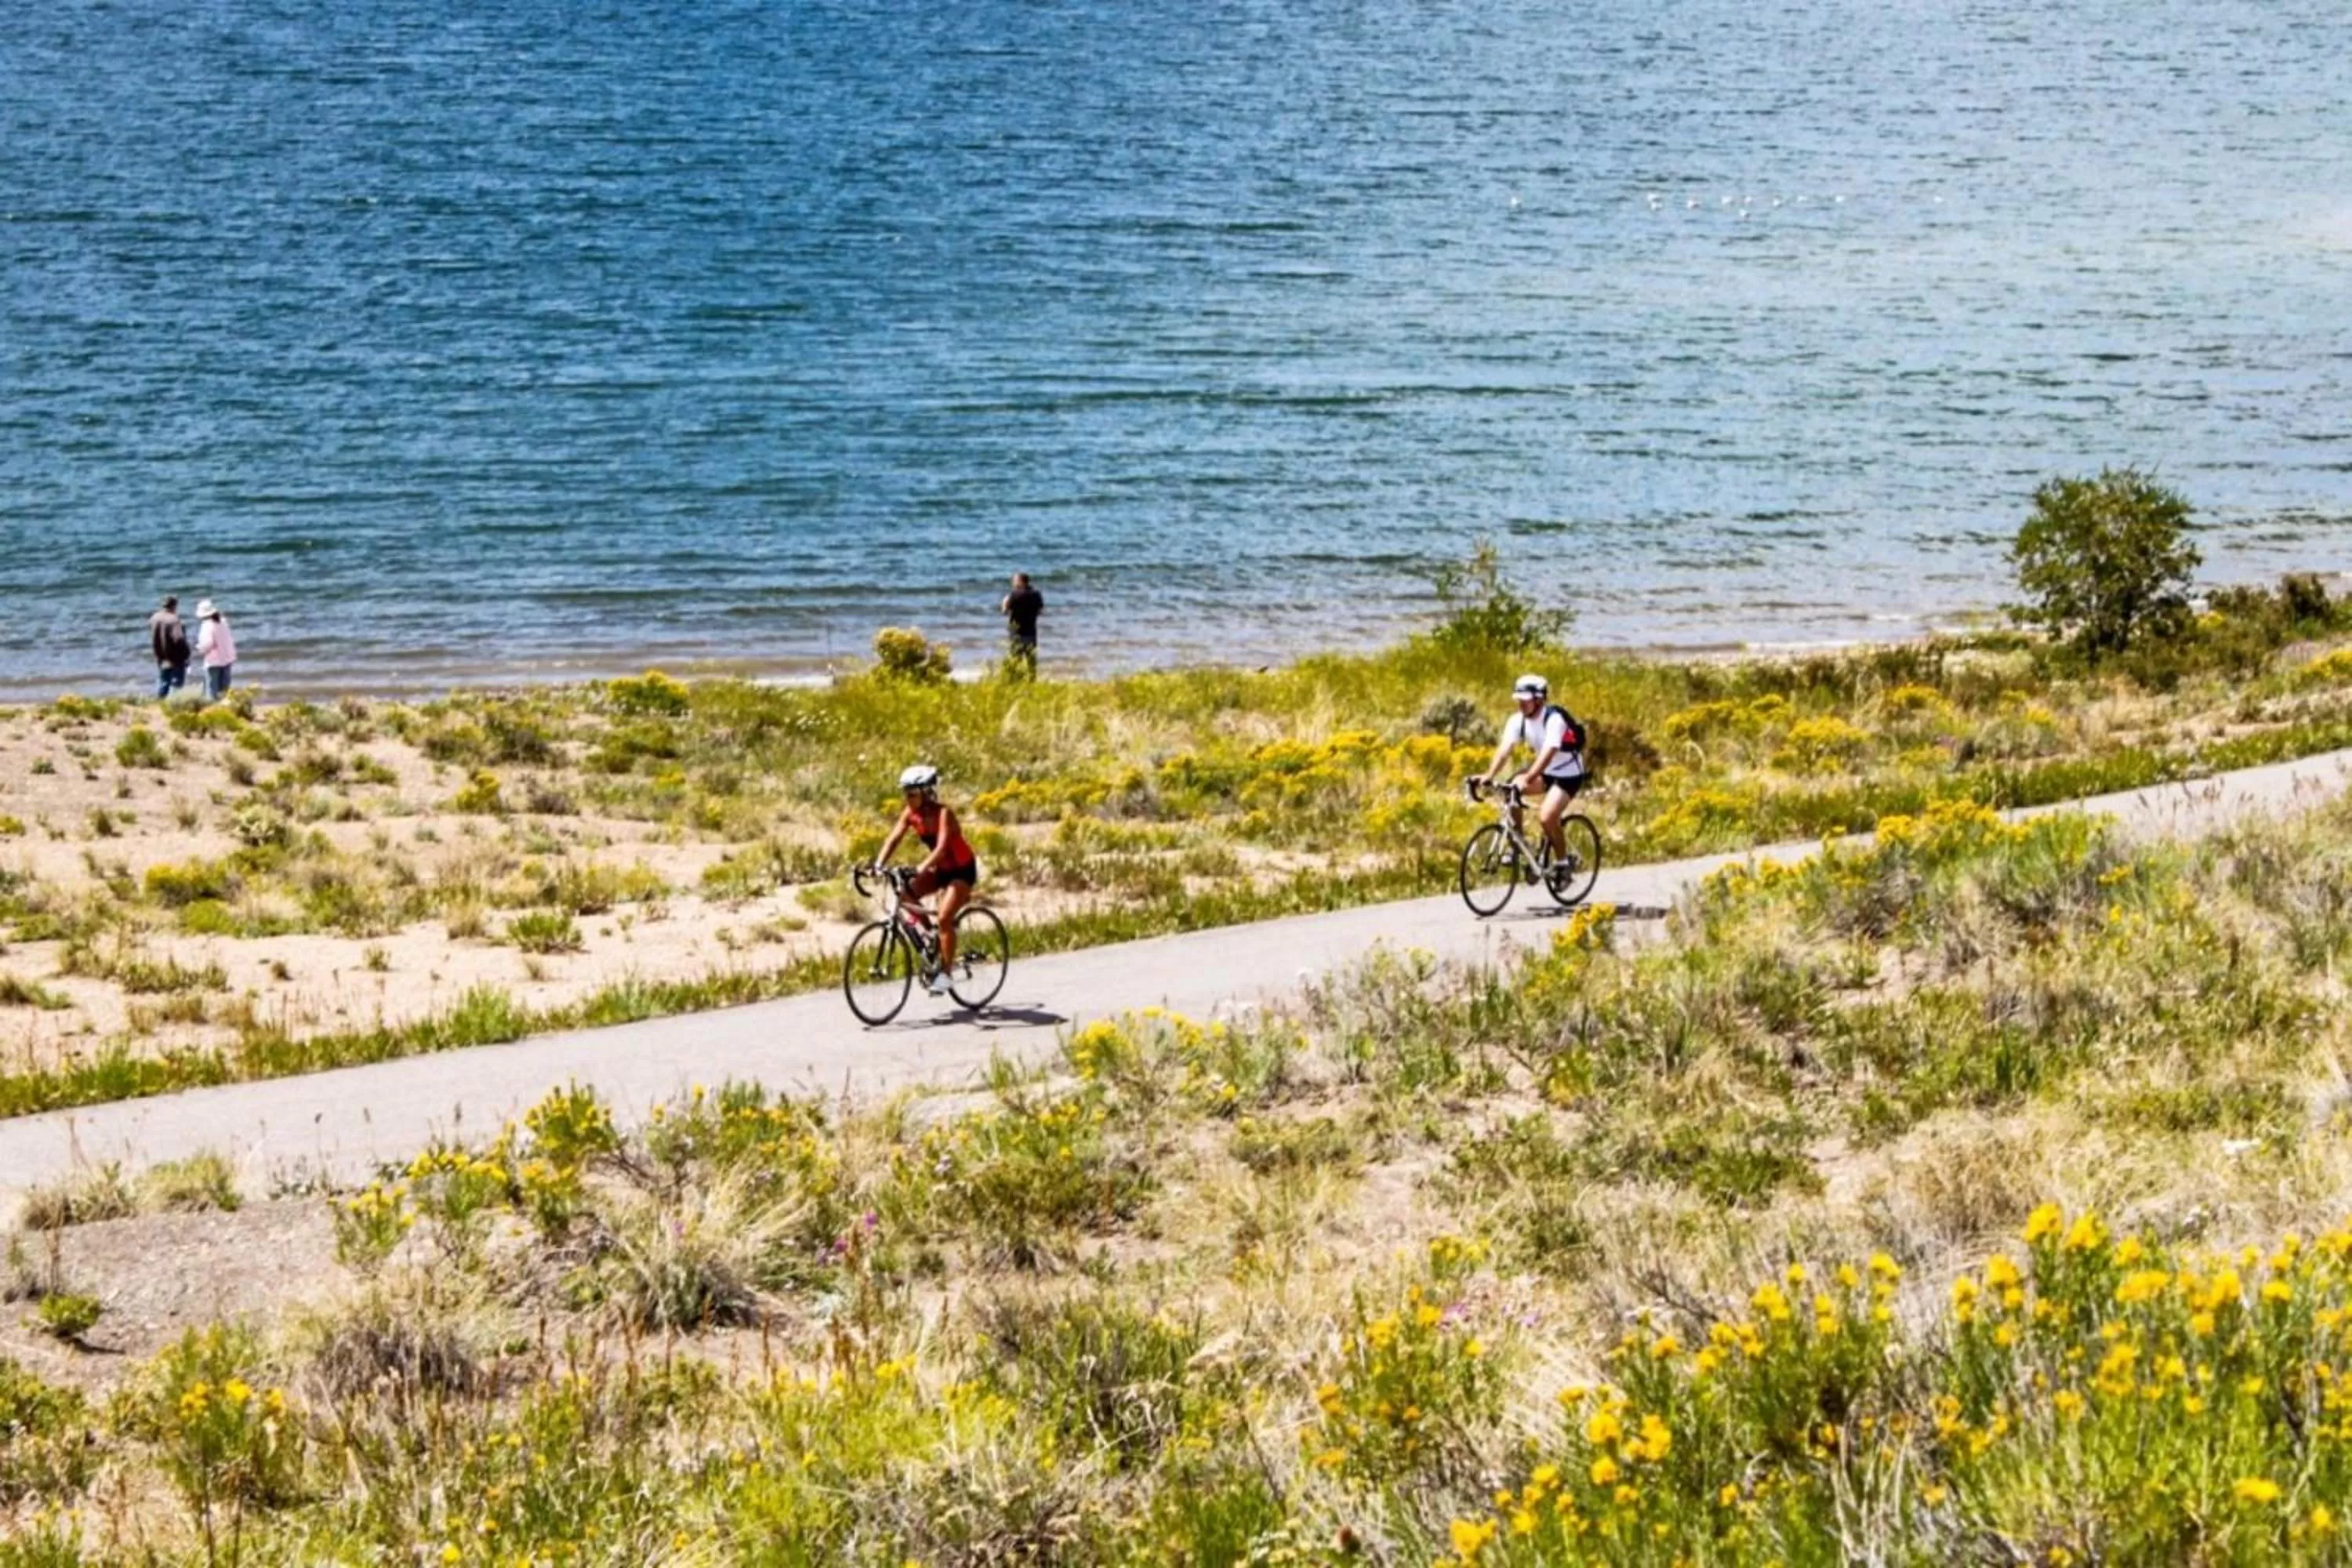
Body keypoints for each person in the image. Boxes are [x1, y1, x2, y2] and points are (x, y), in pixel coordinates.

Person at [871, 764, 980, 994]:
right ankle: (932, 939)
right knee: (906, 892)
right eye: (906, 794)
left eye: (912, 794)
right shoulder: (911, 814)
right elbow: (893, 839)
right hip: (940, 870)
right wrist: (878, 865)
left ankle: (947, 974)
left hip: (961, 870)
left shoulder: (944, 814)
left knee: (944, 919)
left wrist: (921, 867)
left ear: (927, 792)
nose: (908, 799)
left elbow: (941, 849)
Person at [1474, 673, 1588, 880]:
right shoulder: (1517, 721)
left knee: (1547, 817)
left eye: (1526, 700)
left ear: (1539, 700)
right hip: (1545, 772)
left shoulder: (1554, 719)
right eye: (1519, 700)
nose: (1521, 704)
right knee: (1510, 791)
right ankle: (1520, 844)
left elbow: (1548, 753)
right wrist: (1489, 775)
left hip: (1568, 775)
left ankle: (1562, 863)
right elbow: (1504, 750)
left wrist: (1529, 777)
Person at [1000, 572, 1044, 678]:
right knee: (1031, 660)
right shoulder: (1036, 595)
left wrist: (1004, 602)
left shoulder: (1013, 595)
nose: (1013, 583)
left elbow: (1004, 611)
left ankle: (1015, 680)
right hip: (1031, 631)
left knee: (1015, 659)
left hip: (1017, 632)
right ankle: (1032, 680)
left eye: (1014, 581)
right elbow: (1040, 611)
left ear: (1019, 581)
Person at [148, 595, 191, 700]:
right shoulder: (174, 620)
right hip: (175, 657)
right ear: (174, 606)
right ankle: (176, 703)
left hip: (161, 655)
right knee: (177, 683)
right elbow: (179, 639)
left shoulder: (154, 618)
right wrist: (187, 653)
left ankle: (160, 702)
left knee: (164, 682)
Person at [194, 599, 238, 701]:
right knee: (224, 690)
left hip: (214, 661)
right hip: (227, 658)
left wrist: (199, 648)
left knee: (212, 691)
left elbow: (207, 644)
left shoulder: (207, 625)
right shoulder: (223, 621)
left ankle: (213, 711)